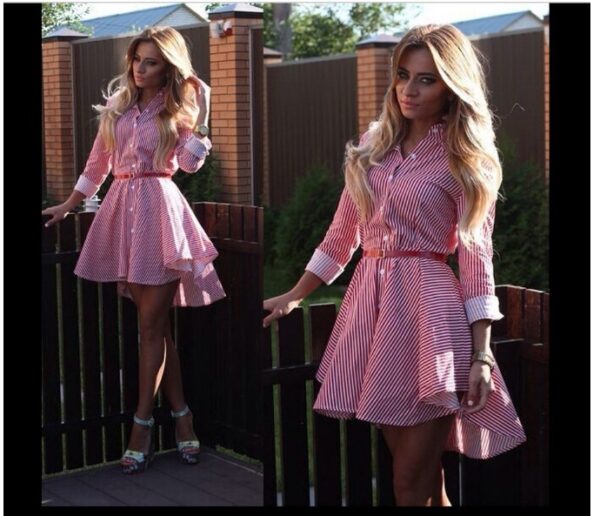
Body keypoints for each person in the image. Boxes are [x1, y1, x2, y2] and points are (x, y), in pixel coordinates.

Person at [263, 24, 526, 506]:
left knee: (409, 481)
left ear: (452, 85)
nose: (409, 89)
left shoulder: (466, 157)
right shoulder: (373, 143)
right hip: (374, 315)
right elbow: (342, 236)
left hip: (431, 319)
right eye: (403, 75)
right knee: (424, 482)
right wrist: (295, 293)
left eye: (427, 79)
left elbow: (476, 258)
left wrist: (481, 355)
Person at [42, 26, 226, 474]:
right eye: (137, 60)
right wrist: (69, 203)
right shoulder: (120, 107)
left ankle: (141, 426)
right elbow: (98, 163)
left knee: (149, 329)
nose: (140, 69)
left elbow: (188, 164)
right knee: (156, 331)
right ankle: (183, 418)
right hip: (123, 213)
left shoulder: (177, 113)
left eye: (151, 62)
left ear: (168, 67)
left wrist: (200, 118)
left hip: (160, 214)